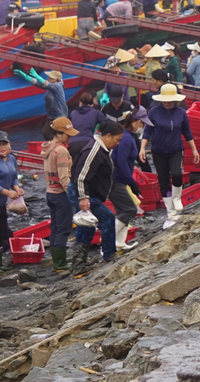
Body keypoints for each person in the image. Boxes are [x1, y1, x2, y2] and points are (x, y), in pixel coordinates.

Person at [67, 121, 122, 275]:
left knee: (87, 225)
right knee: (106, 219)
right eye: (117, 139)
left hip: (87, 193)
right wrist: (83, 198)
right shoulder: (94, 150)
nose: (118, 143)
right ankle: (108, 255)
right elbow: (81, 176)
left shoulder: (102, 149)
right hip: (82, 193)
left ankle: (79, 264)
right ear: (108, 136)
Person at [141, 83, 198, 222]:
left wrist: (194, 149)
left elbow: (187, 132)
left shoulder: (181, 113)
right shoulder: (153, 112)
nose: (167, 103)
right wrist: (142, 148)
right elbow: (147, 131)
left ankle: (177, 198)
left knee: (177, 173)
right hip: (158, 151)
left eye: (170, 100)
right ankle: (170, 209)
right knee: (163, 179)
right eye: (164, 101)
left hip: (175, 149)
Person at [42, 117, 77, 272]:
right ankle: (61, 264)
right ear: (59, 133)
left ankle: (57, 261)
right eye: (67, 134)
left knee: (55, 227)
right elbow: (64, 178)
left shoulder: (48, 148)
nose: (69, 137)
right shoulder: (61, 150)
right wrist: (74, 196)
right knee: (63, 229)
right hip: (61, 195)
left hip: (50, 193)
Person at [113, 107, 150, 247]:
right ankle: (108, 241)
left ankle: (120, 243)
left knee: (122, 210)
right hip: (117, 180)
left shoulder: (128, 136)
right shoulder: (126, 139)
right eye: (144, 124)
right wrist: (131, 182)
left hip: (121, 179)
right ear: (138, 122)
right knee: (130, 210)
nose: (144, 127)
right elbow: (120, 161)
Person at [0, 131, 22, 271]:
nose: (2, 147)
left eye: (4, 144)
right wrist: (8, 192)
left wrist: (17, 188)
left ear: (9, 144)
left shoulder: (11, 159)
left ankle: (0, 262)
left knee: (5, 234)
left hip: (3, 204)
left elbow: (14, 176)